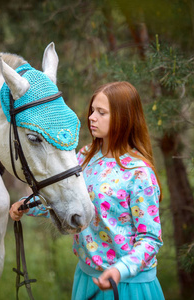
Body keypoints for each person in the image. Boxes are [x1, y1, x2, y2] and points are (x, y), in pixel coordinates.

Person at [9, 81, 165, 299]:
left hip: (127, 286)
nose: (92, 117)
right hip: (87, 277)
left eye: (101, 112)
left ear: (123, 118)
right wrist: (28, 205)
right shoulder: (84, 157)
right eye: (93, 110)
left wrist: (120, 270)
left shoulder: (139, 173)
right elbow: (68, 201)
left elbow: (150, 238)